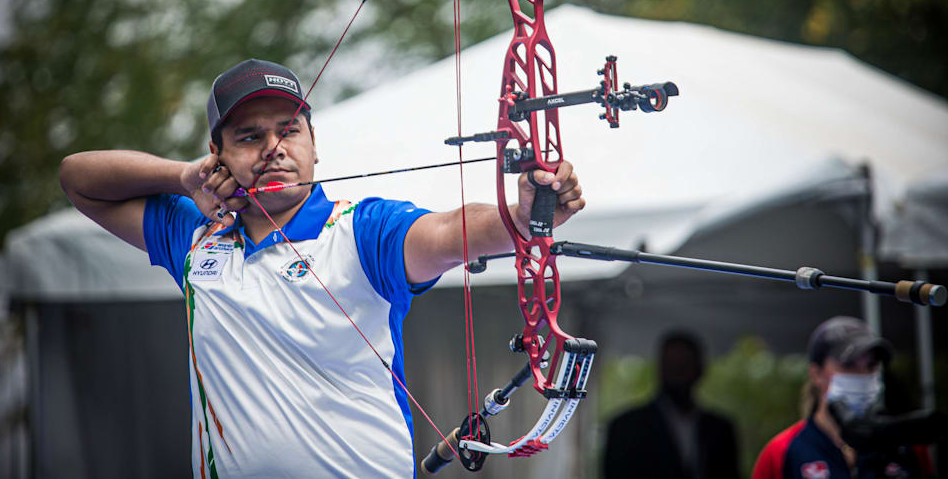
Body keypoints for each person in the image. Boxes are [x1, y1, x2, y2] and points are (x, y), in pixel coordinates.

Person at [58, 59, 585, 478]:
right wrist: (182, 178)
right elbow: (78, 178)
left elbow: (450, 232)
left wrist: (522, 217)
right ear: (216, 153)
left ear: (314, 144)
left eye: (289, 132)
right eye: (249, 136)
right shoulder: (194, 238)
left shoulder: (361, 232)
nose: (274, 149)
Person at [751, 316, 933, 479]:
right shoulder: (782, 452)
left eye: (871, 365)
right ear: (816, 374)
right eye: (848, 365)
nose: (862, 375)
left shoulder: (908, 448)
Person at [603, 331, 740, 479]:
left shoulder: (720, 429)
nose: (677, 373)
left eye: (684, 365)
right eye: (672, 365)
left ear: (699, 369)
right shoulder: (626, 427)